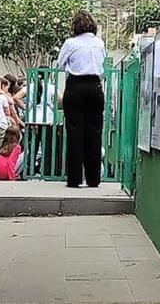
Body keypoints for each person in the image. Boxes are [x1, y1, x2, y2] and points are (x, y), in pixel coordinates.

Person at [58, 10, 106, 188]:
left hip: (76, 87)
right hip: (95, 87)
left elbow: (61, 64)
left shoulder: (70, 43)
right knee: (94, 132)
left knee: (74, 133)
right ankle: (94, 179)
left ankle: (74, 179)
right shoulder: (99, 43)